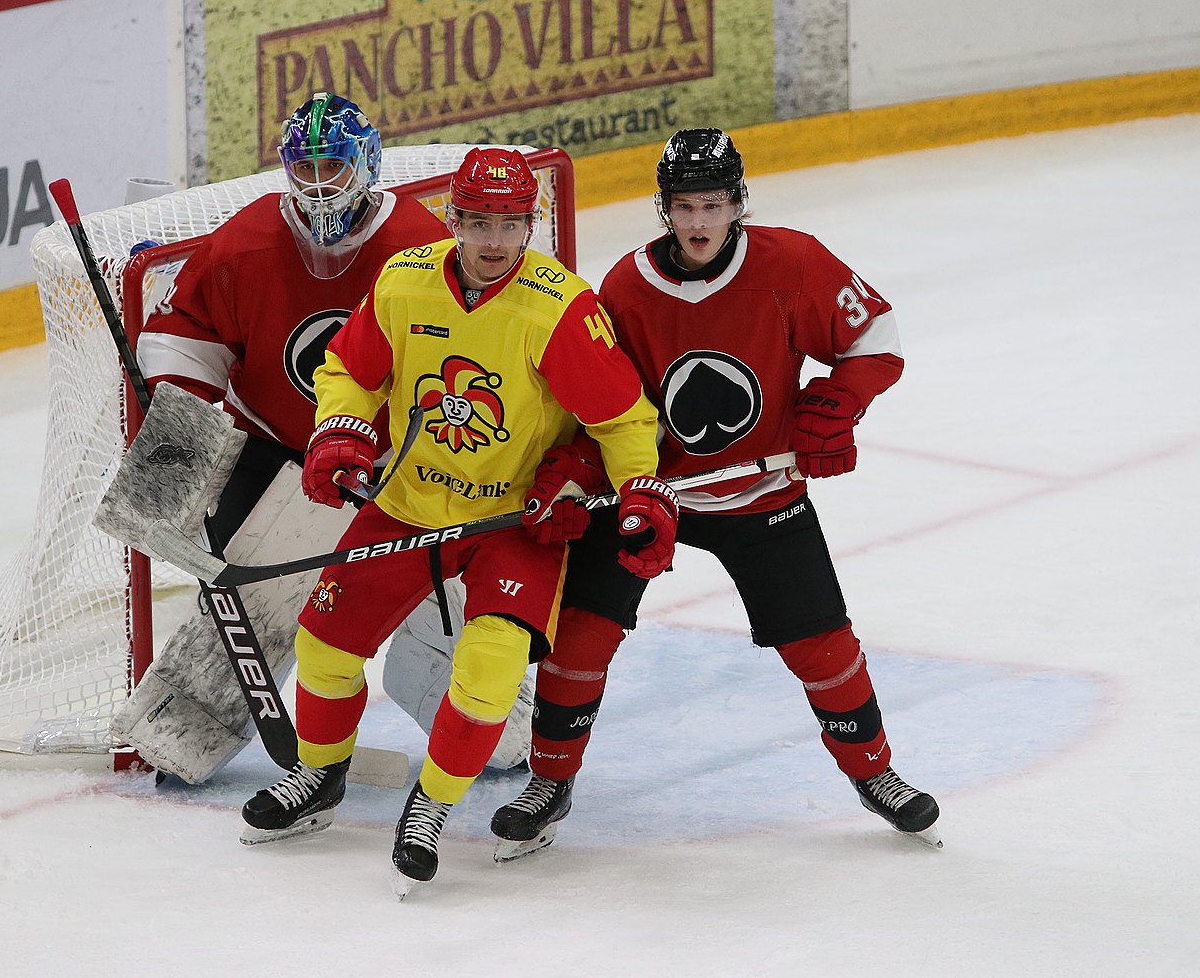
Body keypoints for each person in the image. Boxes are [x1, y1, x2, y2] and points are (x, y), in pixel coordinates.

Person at [490, 128, 942, 859]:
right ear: (663, 209)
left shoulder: (792, 262)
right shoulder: (628, 287)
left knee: (821, 645)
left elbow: (876, 335)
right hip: (651, 491)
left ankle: (875, 773)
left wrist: (837, 401)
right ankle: (549, 781)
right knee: (581, 636)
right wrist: (576, 468)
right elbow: (606, 399)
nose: (698, 223)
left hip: (761, 492)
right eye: (683, 206)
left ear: (737, 203)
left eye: (712, 204)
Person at [238, 145, 671, 894]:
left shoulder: (560, 307)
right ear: (454, 219)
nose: (494, 241)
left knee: (488, 675)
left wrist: (633, 489)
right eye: (478, 221)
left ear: (529, 224)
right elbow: (347, 369)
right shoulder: (405, 283)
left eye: (509, 223)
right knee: (325, 648)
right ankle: (319, 777)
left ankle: (430, 807)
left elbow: (624, 420)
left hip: (514, 521)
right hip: (406, 504)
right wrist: (341, 428)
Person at [114, 93, 529, 783]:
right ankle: (181, 728)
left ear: (366, 164)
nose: (317, 184)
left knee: (449, 607)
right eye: (303, 167)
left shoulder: (420, 248)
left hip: (397, 465)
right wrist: (180, 417)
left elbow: (471, 358)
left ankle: (481, 716)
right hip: (274, 446)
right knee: (253, 599)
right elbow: (188, 330)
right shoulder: (247, 239)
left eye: (332, 167)